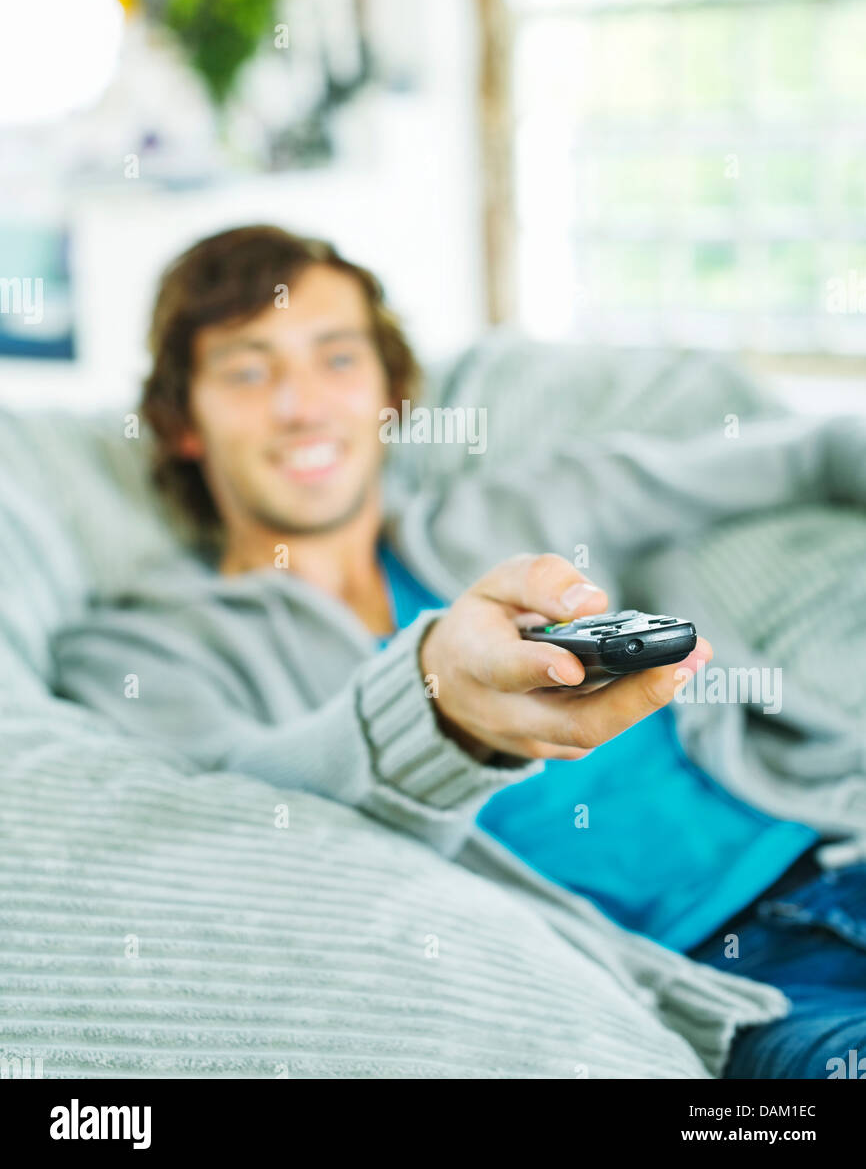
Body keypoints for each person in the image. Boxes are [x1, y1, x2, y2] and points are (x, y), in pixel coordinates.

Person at [53, 225, 866, 1079]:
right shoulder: (144, 644)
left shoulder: (510, 513)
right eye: (250, 371)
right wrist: (434, 703)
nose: (302, 406)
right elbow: (244, 814)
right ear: (183, 422)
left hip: (836, 840)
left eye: (337, 360)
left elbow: (804, 453)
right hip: (731, 984)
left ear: (389, 395)